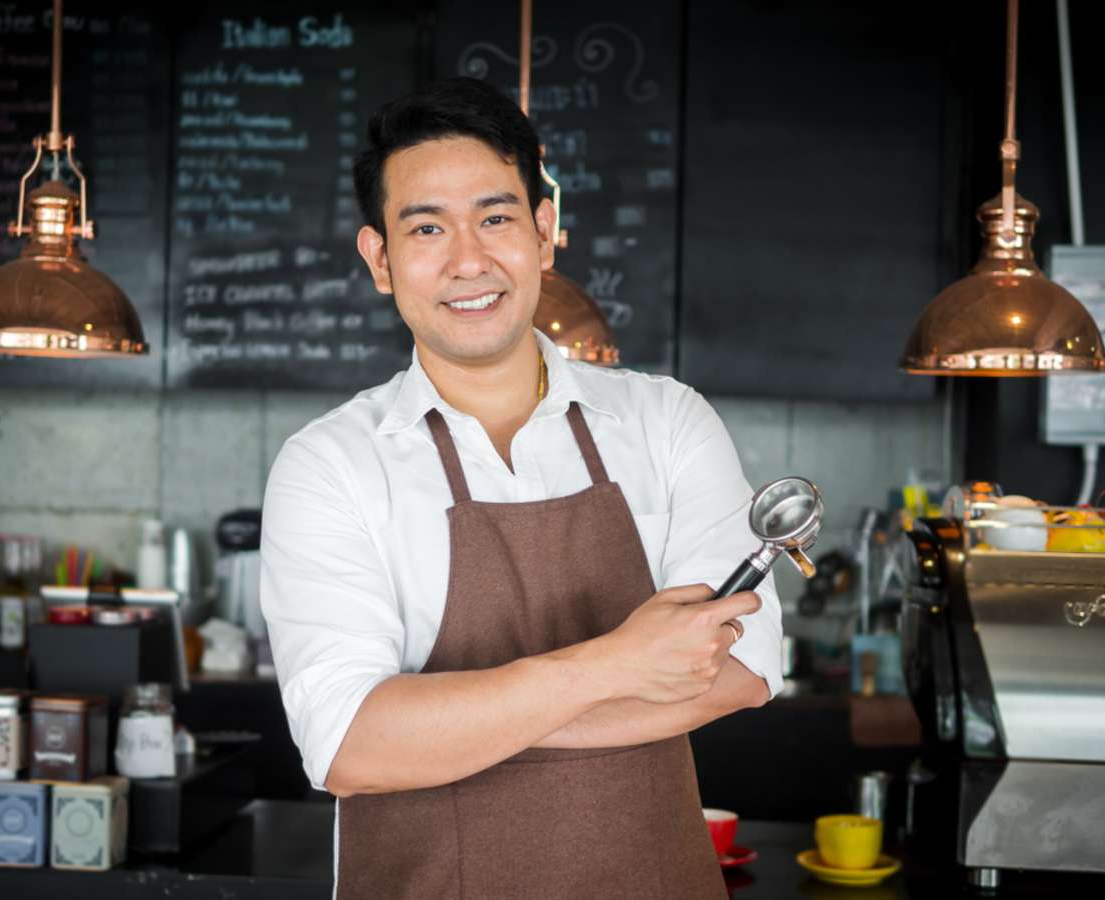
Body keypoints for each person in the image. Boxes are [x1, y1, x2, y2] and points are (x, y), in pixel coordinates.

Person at [261, 77, 783, 900]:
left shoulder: (668, 422)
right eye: (426, 227)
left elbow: (742, 669)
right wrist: (619, 663)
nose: (469, 260)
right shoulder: (330, 464)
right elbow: (349, 749)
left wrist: (446, 726)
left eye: (496, 218)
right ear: (379, 260)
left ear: (544, 232)